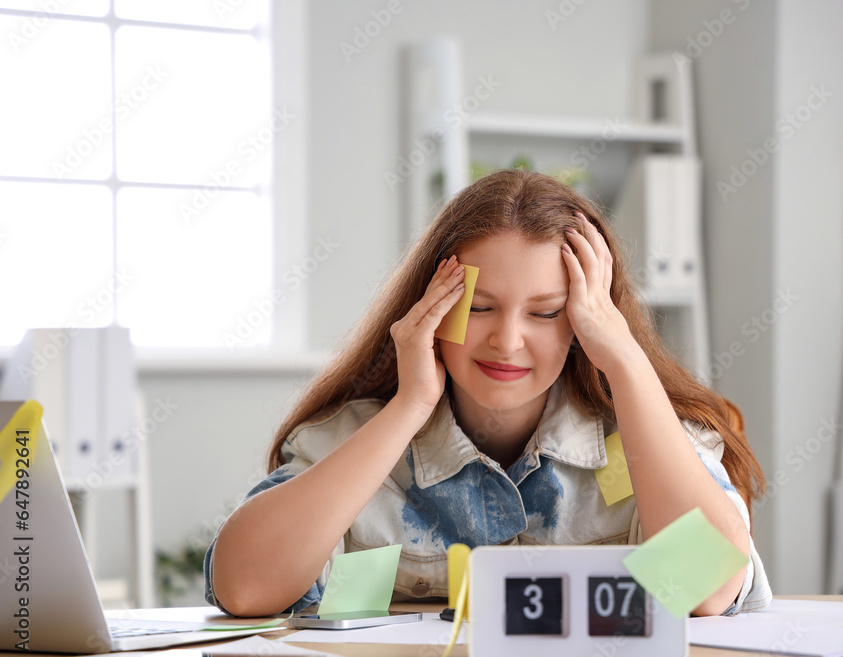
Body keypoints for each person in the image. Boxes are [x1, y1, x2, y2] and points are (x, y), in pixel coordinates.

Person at [205, 169, 772, 618]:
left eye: (547, 312)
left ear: (584, 323)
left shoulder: (645, 436)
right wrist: (408, 407)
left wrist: (624, 358)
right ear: (430, 304)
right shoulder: (351, 439)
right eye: (478, 307)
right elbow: (246, 588)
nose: (506, 341)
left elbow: (707, 588)